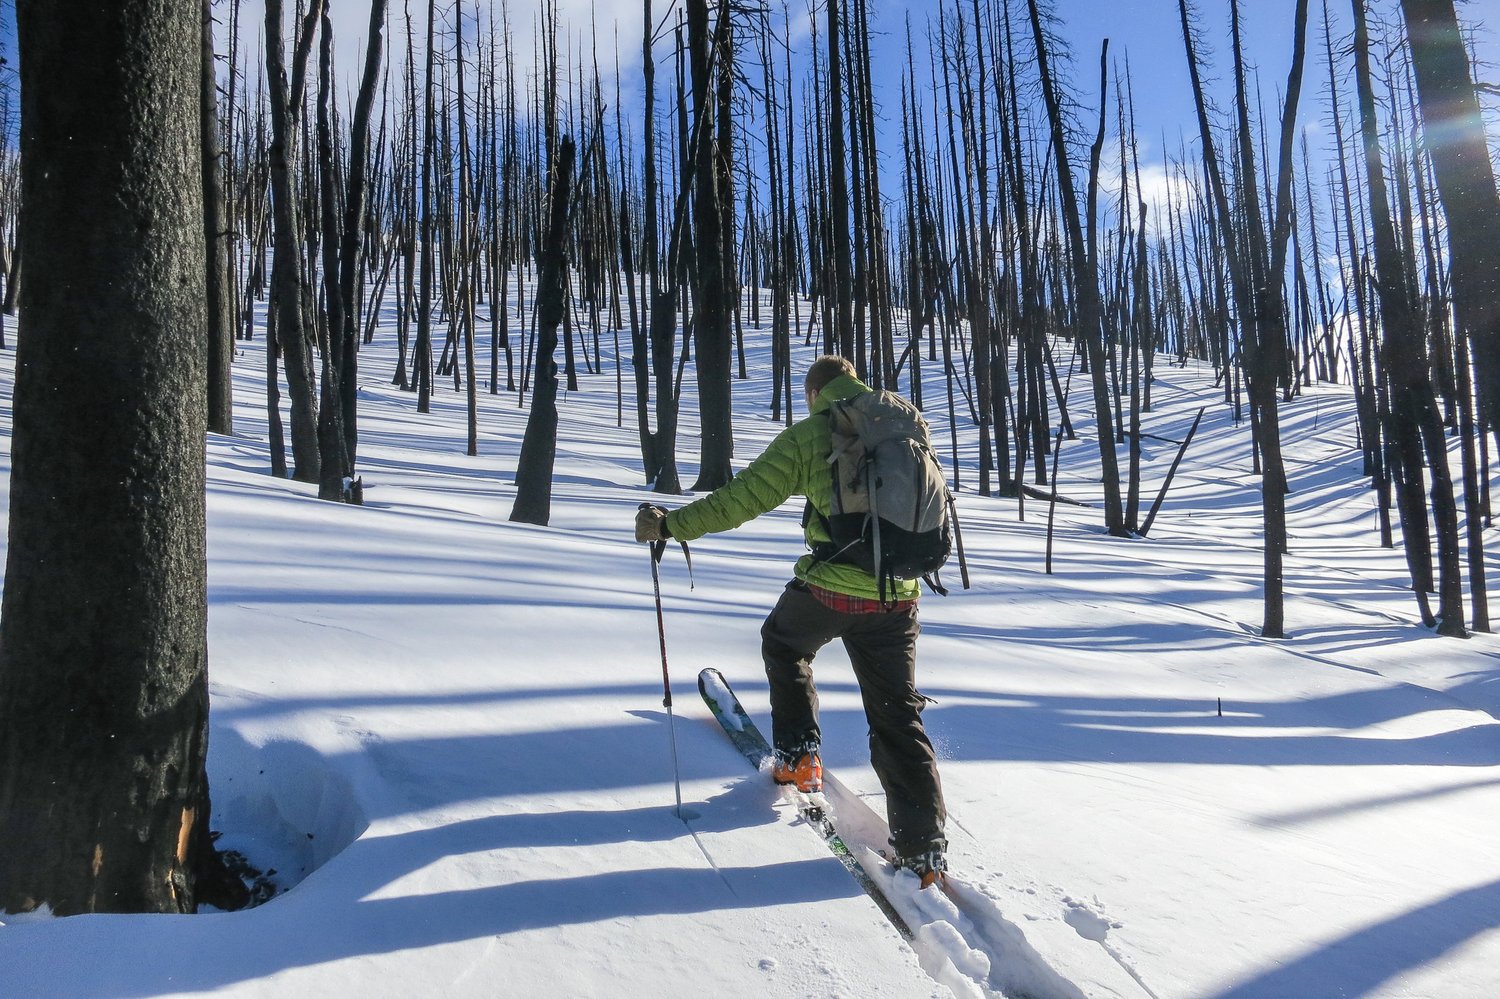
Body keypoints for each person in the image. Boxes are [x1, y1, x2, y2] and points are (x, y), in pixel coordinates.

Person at [635, 355, 949, 888]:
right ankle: (924, 851)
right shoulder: (902, 419)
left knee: (784, 644)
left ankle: (799, 757)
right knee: (897, 713)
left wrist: (672, 525)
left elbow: (741, 499)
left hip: (831, 588)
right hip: (899, 596)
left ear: (813, 394)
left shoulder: (813, 434)